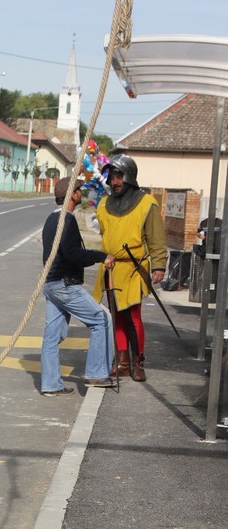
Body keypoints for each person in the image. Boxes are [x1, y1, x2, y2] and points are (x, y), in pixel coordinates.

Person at [93, 155, 167, 382]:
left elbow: (156, 238)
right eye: (112, 177)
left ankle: (138, 362)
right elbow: (105, 233)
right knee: (117, 316)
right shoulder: (104, 203)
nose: (115, 182)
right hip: (111, 268)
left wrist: (159, 265)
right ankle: (122, 362)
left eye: (119, 177)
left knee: (133, 316)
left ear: (129, 177)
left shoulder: (147, 203)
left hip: (134, 268)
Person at [40, 176, 116, 396]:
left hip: (51, 284)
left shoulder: (50, 219)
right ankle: (96, 373)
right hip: (65, 285)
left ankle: (50, 385)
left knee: (52, 337)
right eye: (79, 189)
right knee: (102, 320)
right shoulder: (68, 220)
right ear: (72, 194)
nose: (81, 192)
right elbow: (72, 254)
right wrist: (102, 256)